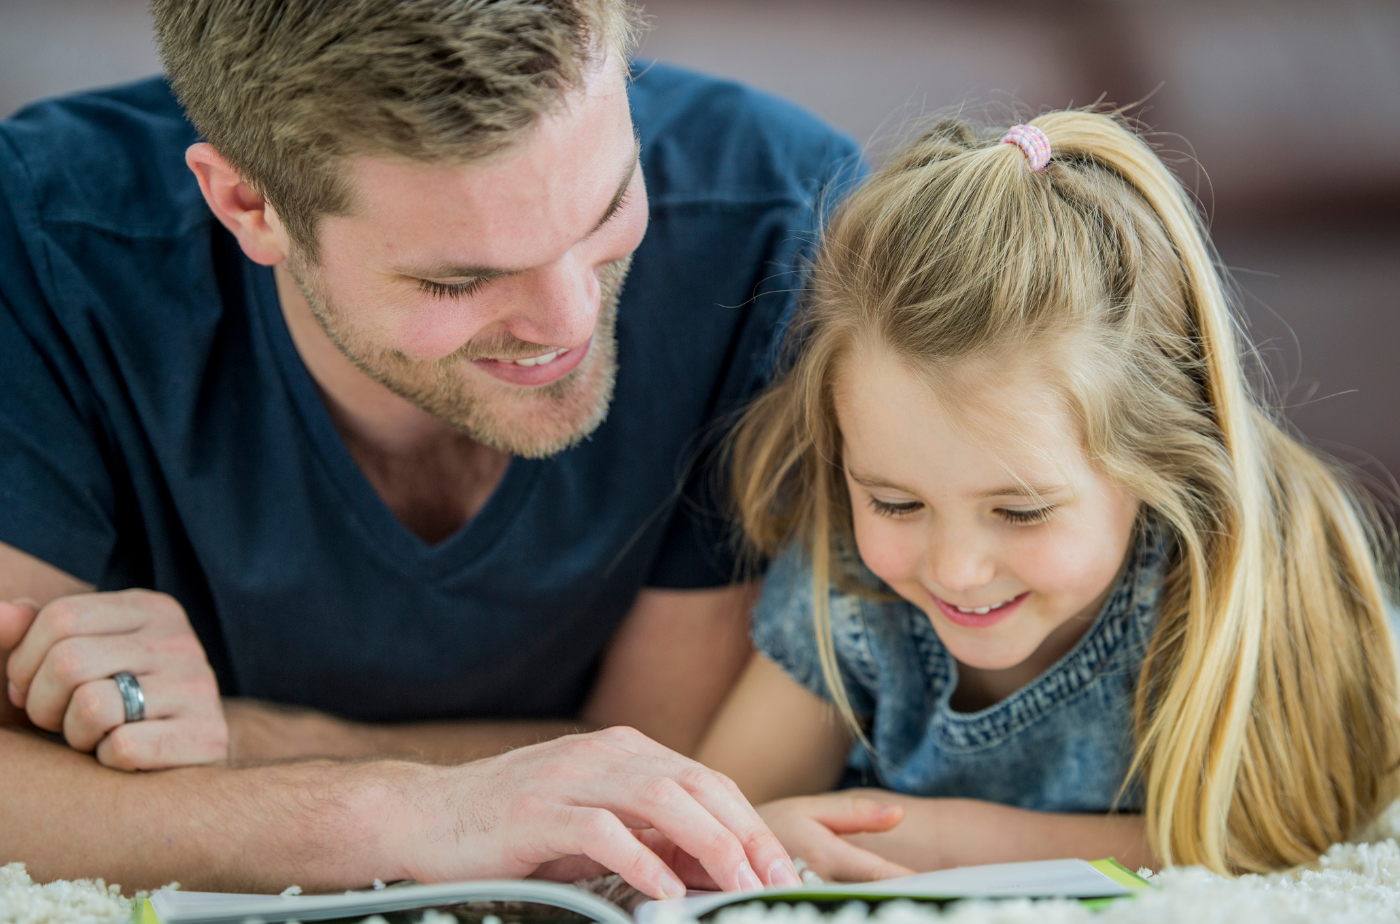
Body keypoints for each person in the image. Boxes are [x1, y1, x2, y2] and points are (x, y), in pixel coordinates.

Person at [0, 0, 863, 896]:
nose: (568, 324)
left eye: (607, 206)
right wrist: (395, 815)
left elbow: (658, 778)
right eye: (461, 278)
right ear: (247, 204)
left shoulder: (777, 226)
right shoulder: (43, 243)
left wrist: (243, 741)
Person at [696, 111, 1400, 879]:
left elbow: (1274, 837)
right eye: (896, 504)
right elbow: (722, 816)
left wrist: (942, 840)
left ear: (1157, 464)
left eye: (1021, 510)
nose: (957, 569)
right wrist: (765, 833)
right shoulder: (848, 592)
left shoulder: (1252, 581)